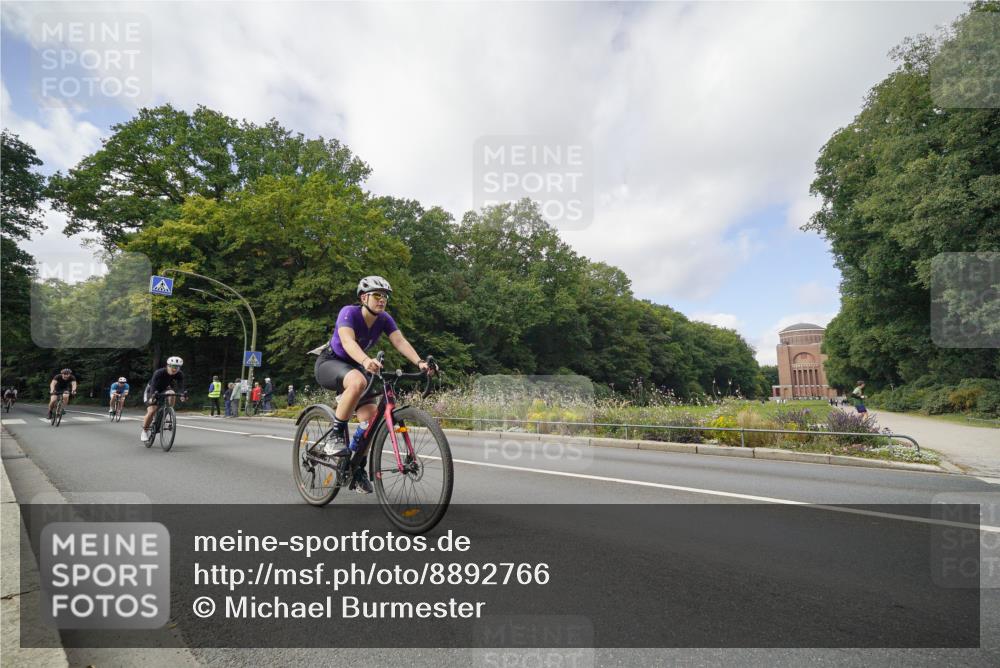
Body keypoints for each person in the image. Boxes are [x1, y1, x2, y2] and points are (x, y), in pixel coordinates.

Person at [314, 275, 433, 493]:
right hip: (330, 362)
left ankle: (356, 466)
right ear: (363, 298)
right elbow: (347, 342)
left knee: (370, 421)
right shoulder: (348, 313)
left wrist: (420, 362)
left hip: (356, 366)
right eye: (377, 295)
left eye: (385, 296)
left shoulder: (384, 319)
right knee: (358, 380)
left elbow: (399, 341)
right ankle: (334, 436)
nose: (382, 299)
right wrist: (366, 360)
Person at [140, 356, 187, 442]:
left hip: (164, 389)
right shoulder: (159, 372)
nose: (175, 369)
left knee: (172, 392)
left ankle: (168, 410)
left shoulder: (179, 374)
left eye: (177, 367)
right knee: (152, 411)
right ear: (168, 365)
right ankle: (144, 431)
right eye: (173, 366)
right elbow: (153, 385)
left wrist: (182, 395)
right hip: (151, 390)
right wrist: (152, 397)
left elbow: (181, 386)